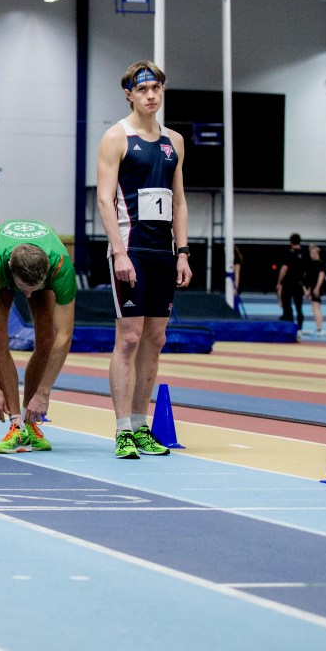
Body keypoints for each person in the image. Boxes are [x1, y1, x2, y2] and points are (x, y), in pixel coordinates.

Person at [96, 60, 192, 460]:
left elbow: (180, 201)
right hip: (131, 249)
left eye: (156, 88)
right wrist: (119, 251)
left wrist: (182, 252)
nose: (150, 95)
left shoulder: (174, 142)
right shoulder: (116, 137)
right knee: (130, 338)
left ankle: (140, 424)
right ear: (130, 95)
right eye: (143, 89)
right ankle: (121, 430)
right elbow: (103, 198)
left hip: (163, 253)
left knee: (156, 338)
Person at [0, 221, 75, 453]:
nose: (27, 295)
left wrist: (43, 393)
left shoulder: (60, 265)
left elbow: (65, 335)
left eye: (34, 288)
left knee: (48, 340)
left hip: (42, 268)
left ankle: (31, 422)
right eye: (23, 288)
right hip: (1, 262)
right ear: (10, 268)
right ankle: (16, 424)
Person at [276, 233, 305, 331]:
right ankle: (300, 329)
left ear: (291, 242)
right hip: (298, 283)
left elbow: (284, 268)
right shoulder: (304, 254)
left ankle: (289, 327)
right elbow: (306, 271)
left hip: (288, 283)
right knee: (299, 307)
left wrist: (279, 281)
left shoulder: (289, 253)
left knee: (287, 306)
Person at [303, 244, 326, 335]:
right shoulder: (312, 264)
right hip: (313, 287)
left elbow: (321, 276)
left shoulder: (319, 264)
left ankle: (320, 329)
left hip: (316, 287)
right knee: (316, 307)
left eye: (313, 252)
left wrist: (317, 288)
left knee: (315, 307)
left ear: (317, 253)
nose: (311, 254)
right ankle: (319, 327)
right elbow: (310, 278)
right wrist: (308, 290)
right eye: (310, 253)